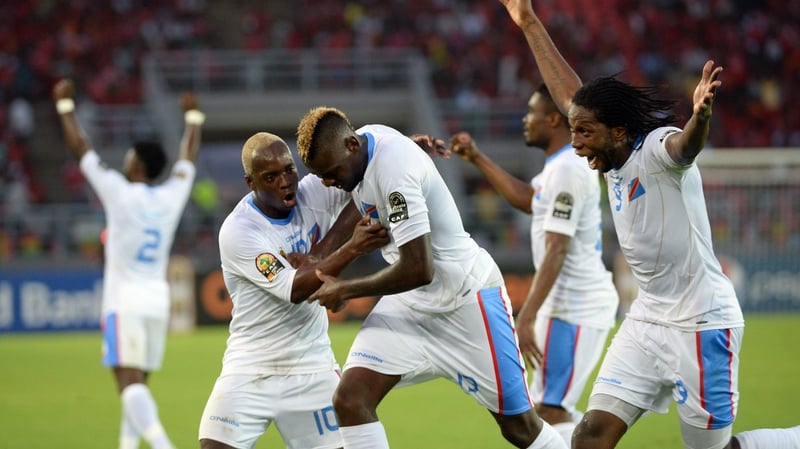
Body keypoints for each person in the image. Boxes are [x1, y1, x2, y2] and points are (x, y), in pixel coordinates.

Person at [499, 1, 800, 448]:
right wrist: (529, 22)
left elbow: (685, 147)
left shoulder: (656, 151)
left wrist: (700, 117)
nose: (577, 145)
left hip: (702, 323)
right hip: (647, 320)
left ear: (618, 131)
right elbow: (572, 98)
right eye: (574, 132)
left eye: (585, 134)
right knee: (589, 437)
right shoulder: (610, 151)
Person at [295, 106, 568, 449]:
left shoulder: (393, 168)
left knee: (520, 428)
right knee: (350, 400)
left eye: (331, 173)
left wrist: (346, 289)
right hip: (409, 305)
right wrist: (321, 252)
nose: (329, 182)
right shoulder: (367, 145)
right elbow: (365, 194)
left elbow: (418, 269)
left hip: (466, 300)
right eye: (322, 176)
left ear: (351, 145)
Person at [446, 82, 619, 444]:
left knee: (550, 410)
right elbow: (529, 199)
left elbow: (557, 248)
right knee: (545, 407)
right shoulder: (558, 168)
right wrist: (477, 157)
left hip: (575, 307)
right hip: (562, 306)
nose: (525, 120)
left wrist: (526, 316)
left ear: (553, 119)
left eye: (531, 113)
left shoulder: (570, 169)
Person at [198, 132, 391, 449]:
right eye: (270, 177)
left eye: (289, 169)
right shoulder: (240, 231)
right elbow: (294, 288)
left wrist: (407, 145)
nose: (285, 181)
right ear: (251, 183)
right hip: (250, 369)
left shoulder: (314, 192)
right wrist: (352, 247)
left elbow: (367, 174)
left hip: (311, 366)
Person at [53, 78, 203, 449]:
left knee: (129, 385)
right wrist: (194, 119)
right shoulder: (172, 194)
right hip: (157, 301)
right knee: (137, 389)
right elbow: (187, 157)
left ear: (135, 164)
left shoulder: (119, 193)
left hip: (124, 301)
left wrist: (65, 108)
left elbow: (81, 150)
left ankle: (164, 445)